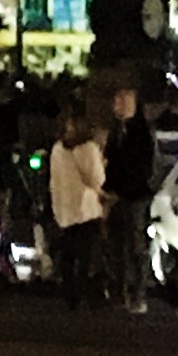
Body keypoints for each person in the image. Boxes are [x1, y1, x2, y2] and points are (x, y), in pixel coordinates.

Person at [46, 97, 109, 308]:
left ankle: (70, 295)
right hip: (86, 209)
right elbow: (97, 180)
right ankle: (90, 294)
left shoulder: (57, 149)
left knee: (68, 254)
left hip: (65, 209)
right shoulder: (87, 149)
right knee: (88, 255)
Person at [102, 85, 157, 314]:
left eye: (121, 101)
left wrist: (119, 191)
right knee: (117, 247)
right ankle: (120, 293)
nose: (116, 106)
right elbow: (110, 161)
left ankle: (139, 294)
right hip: (115, 196)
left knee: (135, 246)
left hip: (134, 197)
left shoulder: (141, 132)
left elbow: (142, 169)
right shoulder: (117, 130)